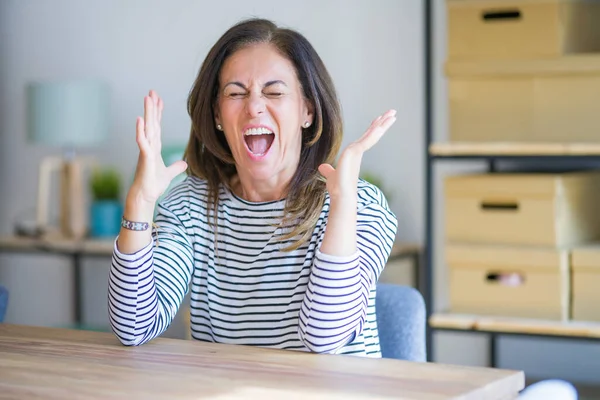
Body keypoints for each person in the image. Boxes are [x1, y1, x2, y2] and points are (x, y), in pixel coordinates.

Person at [108, 17, 398, 357]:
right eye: (235, 93)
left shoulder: (361, 204)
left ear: (308, 110)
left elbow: (325, 338)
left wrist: (342, 205)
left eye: (274, 92)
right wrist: (140, 203)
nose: (254, 106)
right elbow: (133, 327)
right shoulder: (189, 207)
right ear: (217, 113)